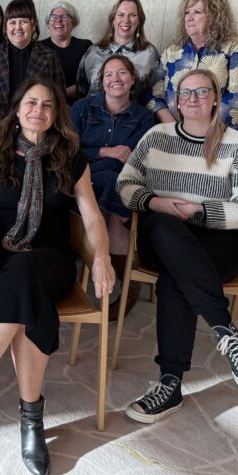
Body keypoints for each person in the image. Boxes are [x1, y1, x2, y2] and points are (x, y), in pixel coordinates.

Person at [0, 78, 115, 475]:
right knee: (25, 291)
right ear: (17, 110)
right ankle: (31, 421)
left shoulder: (71, 158)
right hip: (1, 258)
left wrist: (102, 255)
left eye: (47, 105)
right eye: (30, 103)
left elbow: (91, 215)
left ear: (55, 115)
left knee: (26, 271)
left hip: (52, 260)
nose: (38, 110)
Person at [116, 69, 238, 424]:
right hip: (162, 233)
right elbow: (126, 184)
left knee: (176, 274)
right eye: (185, 93)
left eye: (201, 92)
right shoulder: (157, 137)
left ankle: (169, 384)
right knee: (168, 233)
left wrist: (200, 212)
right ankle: (227, 333)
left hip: (219, 242)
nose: (192, 99)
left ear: (216, 98)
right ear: (176, 100)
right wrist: (156, 203)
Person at [70, 54, 154, 318]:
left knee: (117, 191)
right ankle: (78, 273)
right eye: (108, 75)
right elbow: (69, 151)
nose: (114, 79)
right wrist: (107, 152)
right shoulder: (82, 108)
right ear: (101, 82)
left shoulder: (144, 118)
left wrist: (100, 161)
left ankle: (127, 286)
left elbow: (136, 161)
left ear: (133, 80)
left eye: (121, 74)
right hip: (80, 176)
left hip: (117, 180)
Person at [0, 0, 64, 146]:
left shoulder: (49, 57)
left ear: (33, 25)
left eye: (23, 22)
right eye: (12, 22)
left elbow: (59, 99)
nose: (17, 27)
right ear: (6, 27)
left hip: (35, 134)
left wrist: (54, 138)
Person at [148, 0, 238, 130]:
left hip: (216, 136)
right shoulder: (171, 52)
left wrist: (200, 133)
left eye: (197, 12)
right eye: (187, 13)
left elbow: (237, 99)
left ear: (214, 16)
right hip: (173, 134)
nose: (189, 18)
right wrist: (174, 128)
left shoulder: (234, 47)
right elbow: (153, 95)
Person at [76, 0, 159, 104]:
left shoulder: (149, 53)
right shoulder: (93, 52)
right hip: (92, 118)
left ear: (139, 20)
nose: (126, 20)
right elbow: (81, 89)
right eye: (121, 15)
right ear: (113, 19)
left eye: (132, 15)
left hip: (133, 119)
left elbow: (156, 93)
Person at [39, 1, 92, 102]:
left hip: (79, 105)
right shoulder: (38, 48)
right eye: (53, 17)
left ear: (73, 22)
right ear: (48, 23)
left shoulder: (85, 46)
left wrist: (61, 95)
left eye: (64, 16)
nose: (58, 20)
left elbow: (91, 80)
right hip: (46, 104)